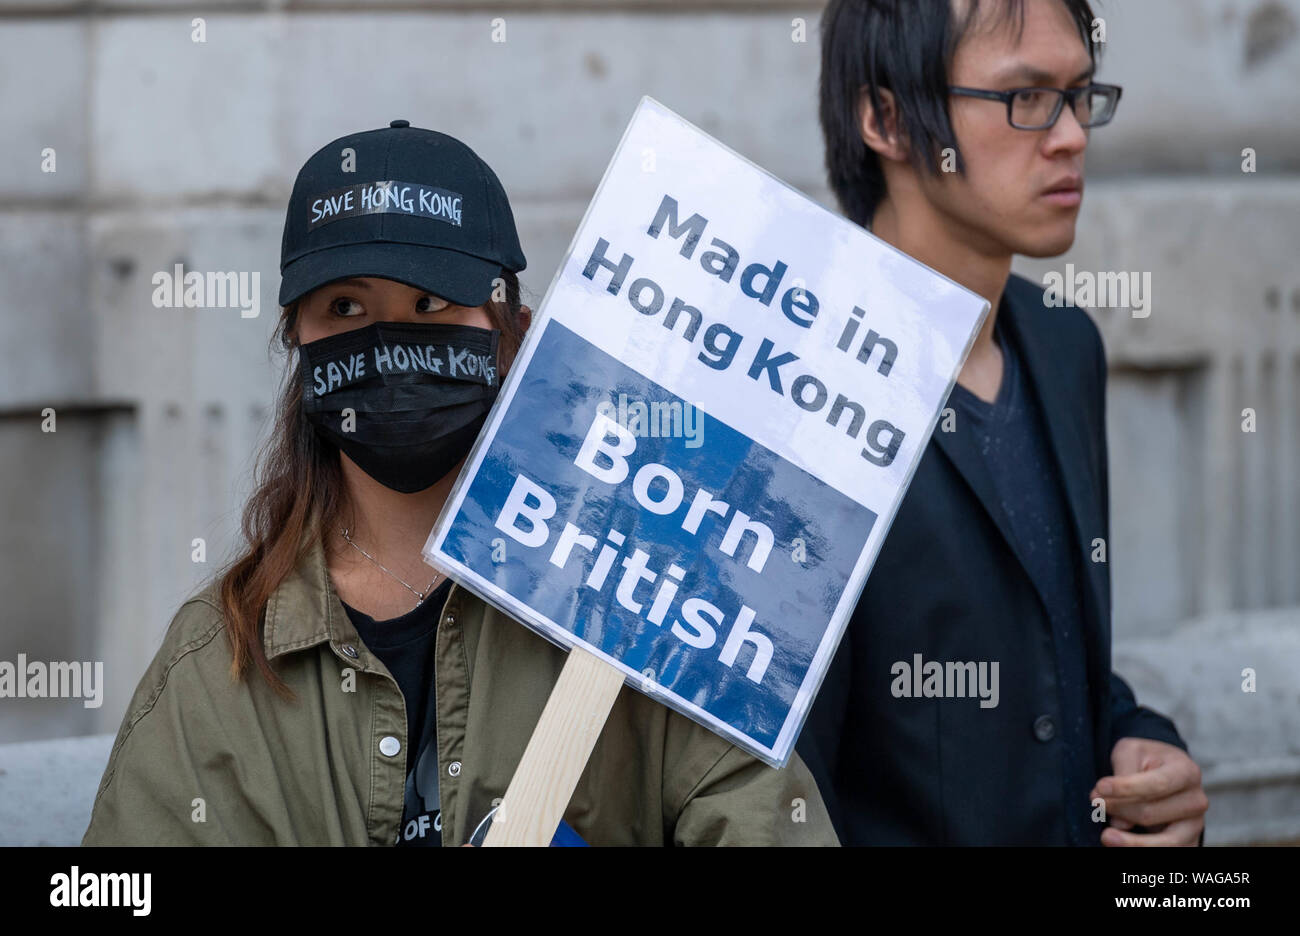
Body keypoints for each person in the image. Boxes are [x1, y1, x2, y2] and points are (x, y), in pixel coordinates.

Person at [82, 119, 837, 846]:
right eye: (344, 307)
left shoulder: (647, 613)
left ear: (510, 329)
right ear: (296, 343)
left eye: (430, 302)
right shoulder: (220, 661)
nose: (389, 338)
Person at [797, 0, 1209, 845]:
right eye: (1024, 100)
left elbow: (1057, 667)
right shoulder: (799, 373)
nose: (1070, 137)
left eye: (1080, 95)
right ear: (885, 118)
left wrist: (1141, 746)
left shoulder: (1063, 347)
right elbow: (781, 779)